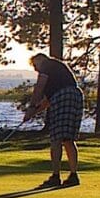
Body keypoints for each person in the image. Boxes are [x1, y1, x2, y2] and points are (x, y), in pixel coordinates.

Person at [23, 51, 83, 189]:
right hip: (75, 96)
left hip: (64, 97)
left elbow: (39, 87)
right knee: (68, 138)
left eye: (35, 65)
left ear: (39, 60)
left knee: (56, 138)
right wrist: (33, 112)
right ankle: (73, 175)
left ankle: (55, 176)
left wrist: (31, 106)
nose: (36, 69)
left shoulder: (46, 65)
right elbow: (48, 101)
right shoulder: (58, 69)